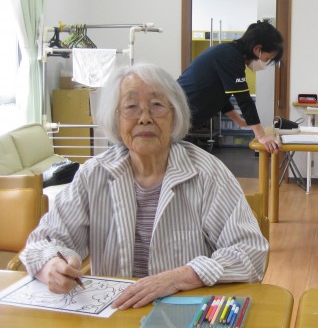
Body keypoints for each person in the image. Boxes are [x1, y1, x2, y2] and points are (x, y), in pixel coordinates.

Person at [20, 63, 269, 309]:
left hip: (185, 315)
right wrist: (52, 265)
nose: (144, 118)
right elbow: (42, 242)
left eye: (157, 105)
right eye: (130, 107)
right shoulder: (94, 174)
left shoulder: (207, 173)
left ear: (175, 115)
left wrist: (179, 277)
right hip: (113, 313)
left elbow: (250, 252)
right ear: (115, 118)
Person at [178, 20, 283, 154]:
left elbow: (220, 96)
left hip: (182, 120)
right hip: (174, 115)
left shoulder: (229, 53)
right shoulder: (230, 57)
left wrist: (239, 120)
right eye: (266, 59)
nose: (264, 63)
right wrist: (261, 135)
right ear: (257, 49)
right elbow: (244, 100)